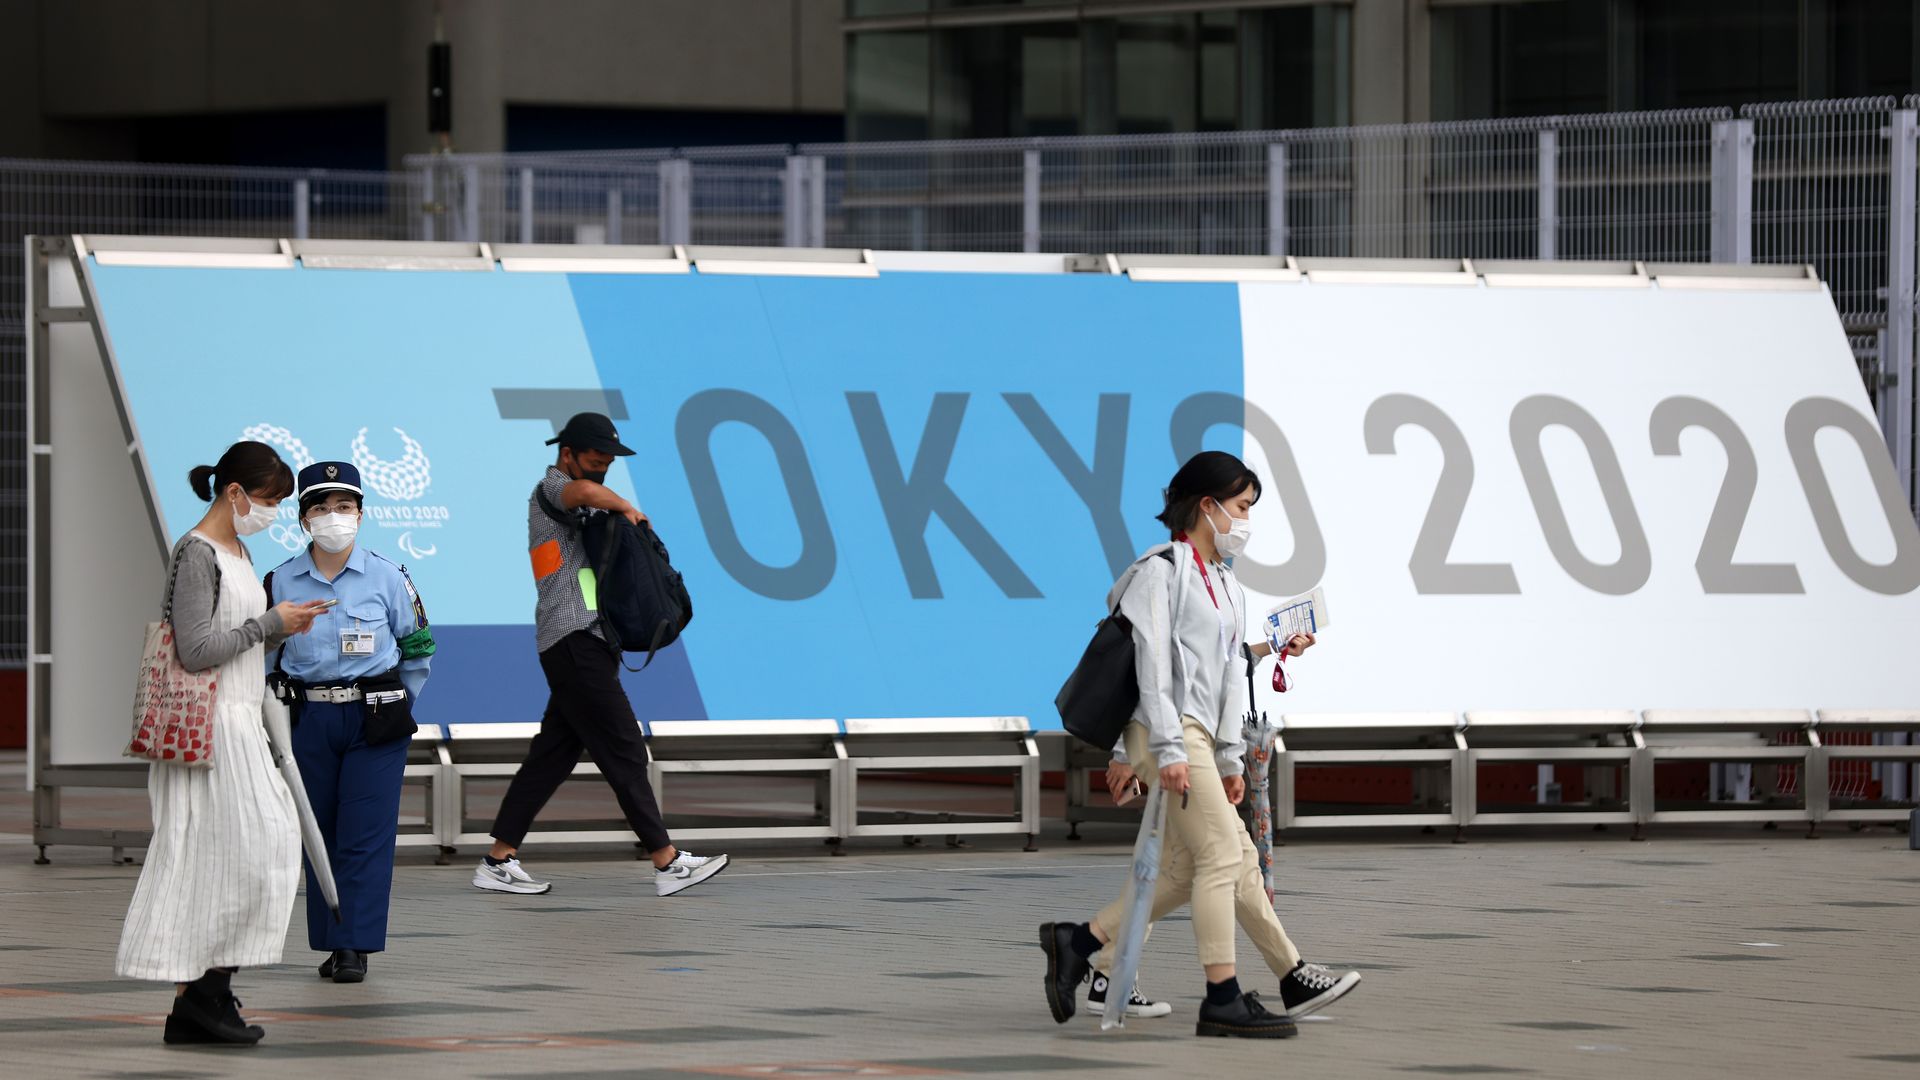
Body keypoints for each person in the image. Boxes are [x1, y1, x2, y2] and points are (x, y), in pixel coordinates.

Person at [1039, 451, 1361, 1038]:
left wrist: (1231, 755)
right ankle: (1223, 997)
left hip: (1204, 737)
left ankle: (1080, 943)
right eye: (1241, 508)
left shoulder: (1226, 585)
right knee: (1222, 857)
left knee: (1200, 867)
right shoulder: (1160, 572)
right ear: (1206, 506)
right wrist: (1165, 752)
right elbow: (1155, 670)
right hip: (1171, 732)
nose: (1246, 522)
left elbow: (1223, 671)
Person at [115, 441, 330, 1044]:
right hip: (207, 730)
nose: (271, 511)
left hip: (237, 724)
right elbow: (197, 649)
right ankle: (201, 997)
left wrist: (278, 630)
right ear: (233, 493)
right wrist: (272, 624)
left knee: (259, 854)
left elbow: (231, 645)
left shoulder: (236, 549)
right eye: (267, 499)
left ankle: (204, 997)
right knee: (227, 858)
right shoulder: (198, 552)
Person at [473, 412, 727, 898]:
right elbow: (585, 494)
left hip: (588, 641)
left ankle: (497, 861)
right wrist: (627, 507)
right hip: (572, 639)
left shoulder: (586, 493)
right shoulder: (553, 487)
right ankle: (667, 861)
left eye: (609, 463)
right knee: (623, 746)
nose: (601, 470)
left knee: (551, 757)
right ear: (567, 454)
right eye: (594, 460)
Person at [265, 461, 435, 985]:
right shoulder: (278, 580)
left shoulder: (390, 576)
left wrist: (396, 701)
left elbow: (418, 645)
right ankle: (335, 935)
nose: (332, 517)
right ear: (302, 518)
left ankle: (352, 946)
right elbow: (264, 657)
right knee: (319, 833)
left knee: (365, 833)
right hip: (309, 717)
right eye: (320, 507)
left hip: (375, 720)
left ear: (361, 515)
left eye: (343, 507)